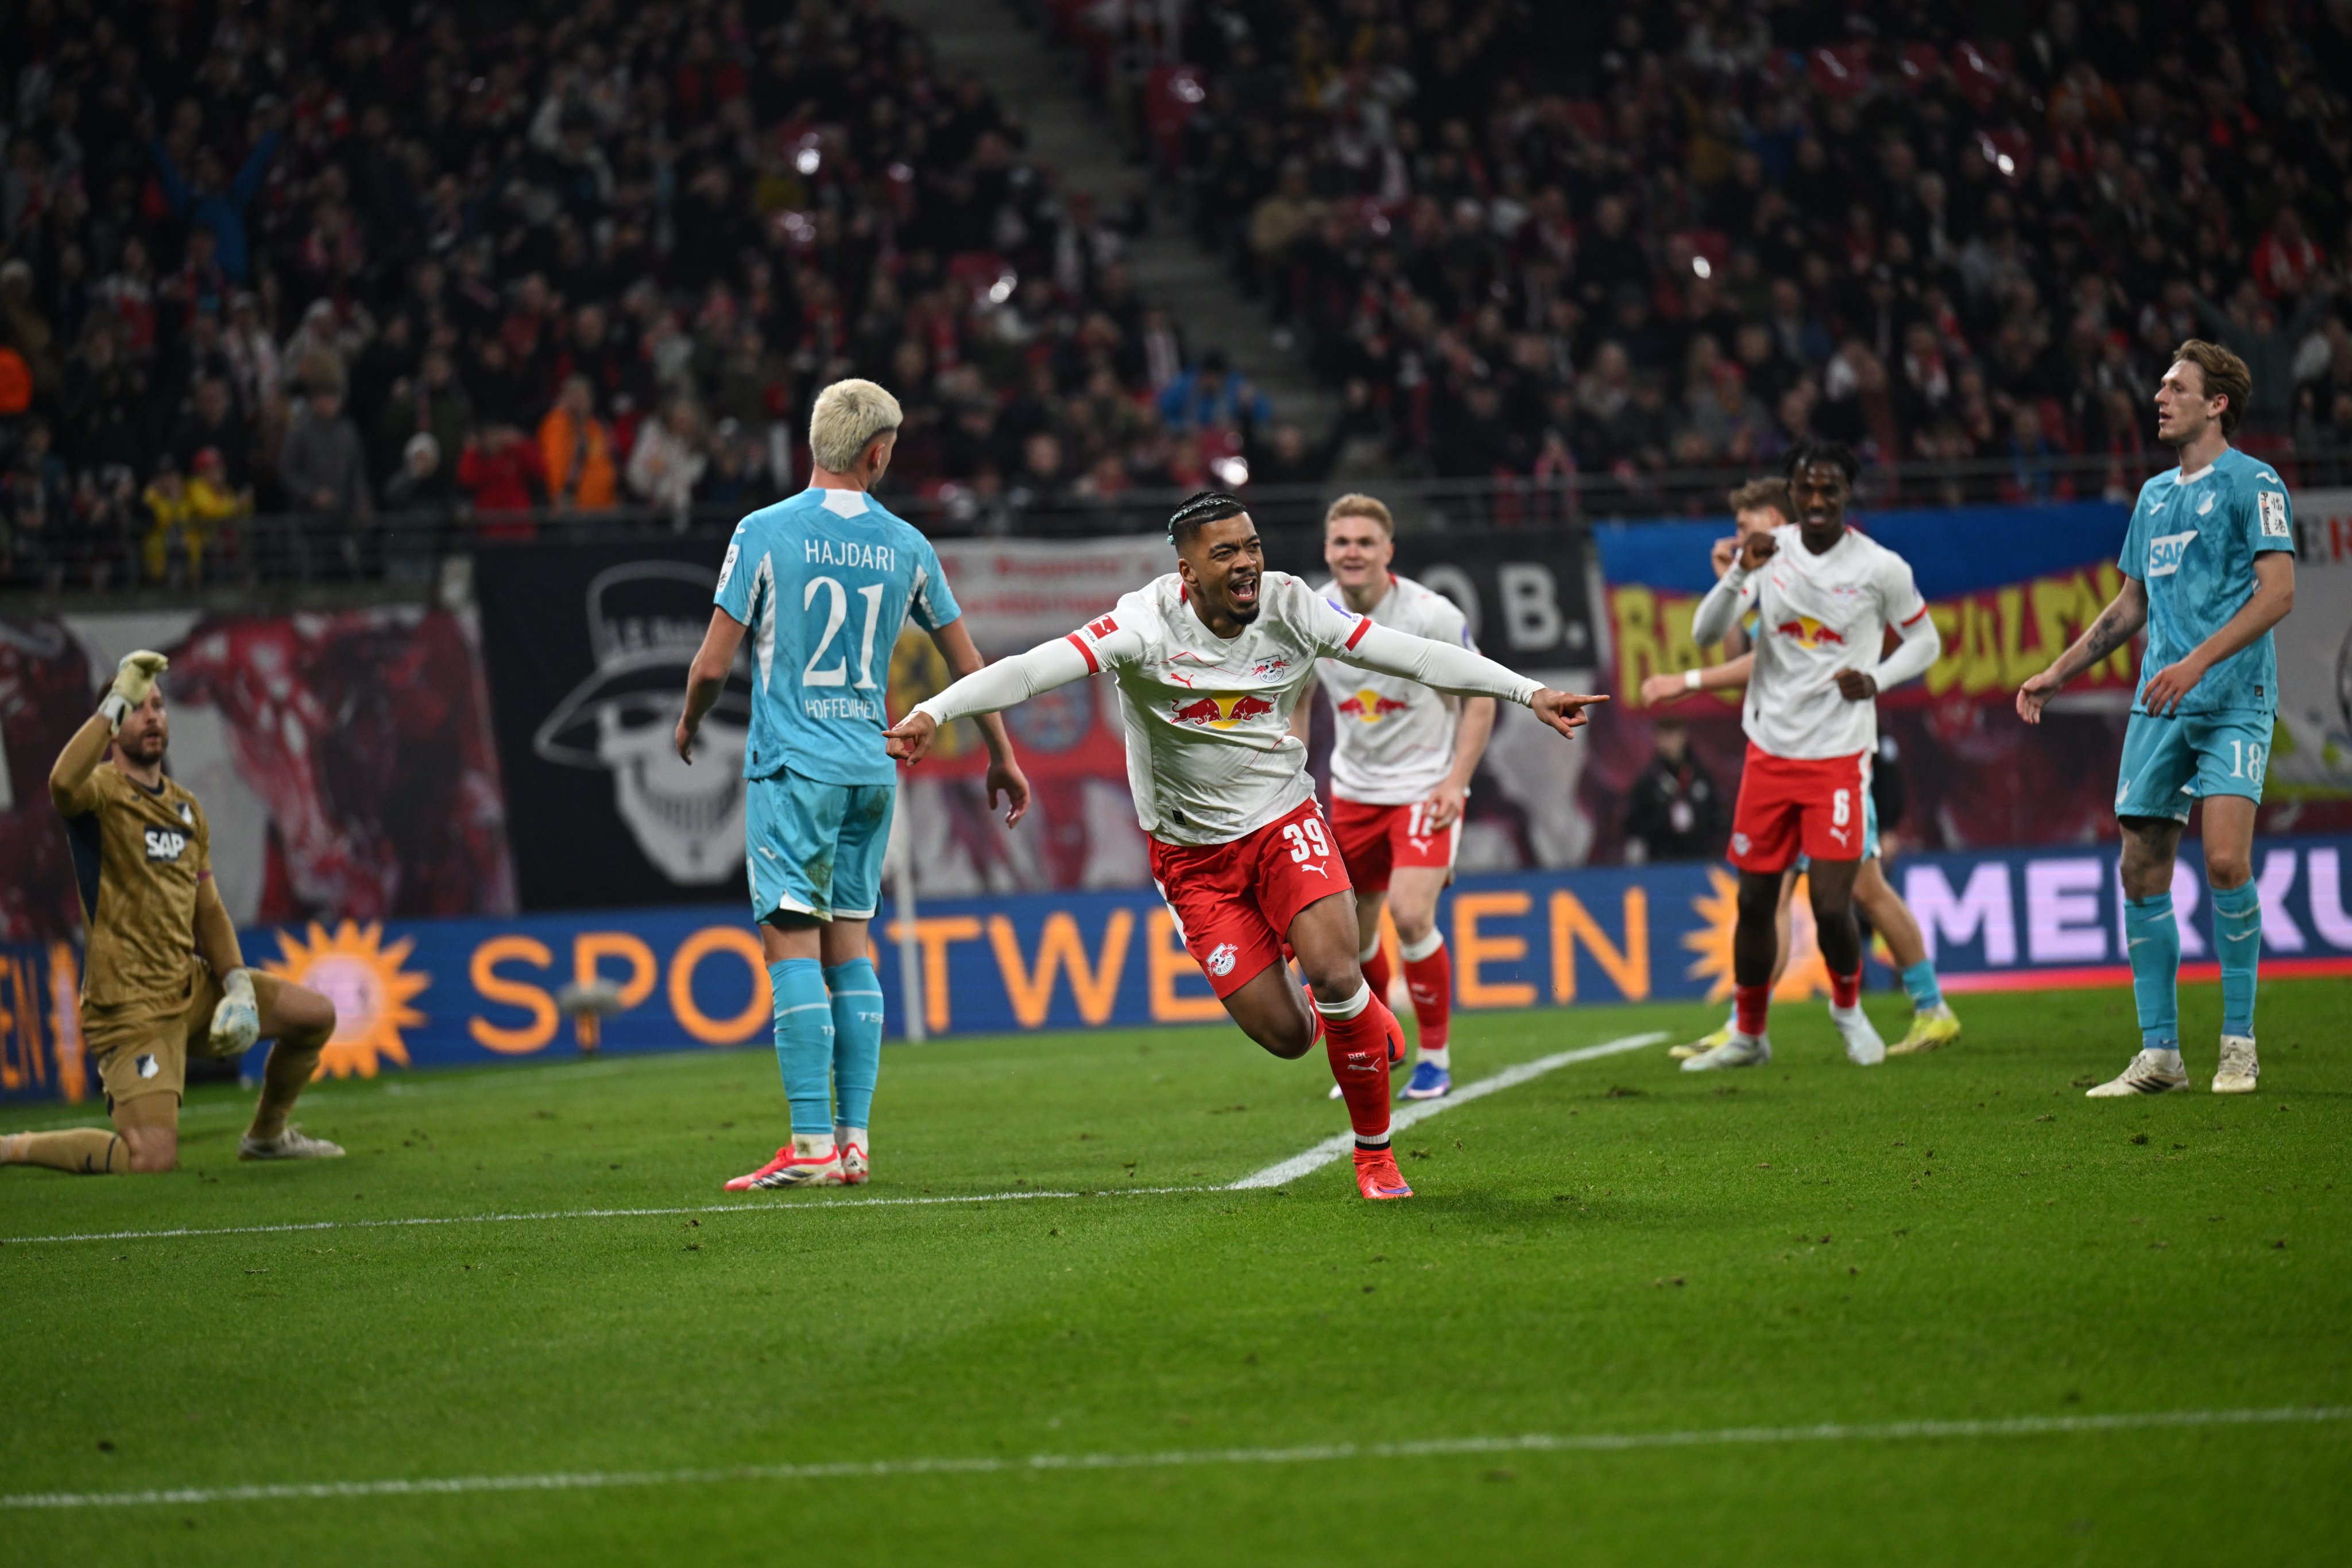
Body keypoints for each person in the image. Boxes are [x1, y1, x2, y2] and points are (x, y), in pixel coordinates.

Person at [885, 491, 1608, 1200]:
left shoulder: (1294, 607)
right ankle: (1358, 1016)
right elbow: (1027, 670)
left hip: (1282, 821)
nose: (1246, 563)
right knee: (1288, 1035)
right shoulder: (1143, 625)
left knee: (1337, 975)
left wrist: (1528, 692)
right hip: (1192, 858)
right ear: (1187, 571)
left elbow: (1417, 658)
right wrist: (933, 710)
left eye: (1252, 546)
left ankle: (1376, 1157)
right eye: (1224, 552)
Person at [676, 378, 1031, 1191]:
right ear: (877, 454)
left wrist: (691, 720)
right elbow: (969, 663)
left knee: (792, 946)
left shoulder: (763, 531)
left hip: (794, 770)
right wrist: (1001, 753)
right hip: (873, 771)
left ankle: (809, 1143)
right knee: (851, 950)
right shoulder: (907, 544)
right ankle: (854, 1141)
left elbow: (712, 666)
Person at [2017, 340, 2296, 1097]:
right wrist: (2057, 672)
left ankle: (2238, 1044)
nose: (2159, 397)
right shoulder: (2152, 497)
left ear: (2217, 404)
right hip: (2160, 704)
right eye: (2161, 386)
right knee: (2139, 866)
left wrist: (2198, 661)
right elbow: (2130, 604)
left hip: (2232, 698)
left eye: (2176, 387)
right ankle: (2160, 1055)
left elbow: (2277, 594)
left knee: (2226, 862)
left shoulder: (2254, 483)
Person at [1641, 478, 1961, 1058]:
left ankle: (1929, 1006)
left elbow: (1763, 663)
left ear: (1772, 516)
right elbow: (1755, 653)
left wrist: (1685, 681)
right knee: (1777, 895)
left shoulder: (1822, 573)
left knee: (1862, 890)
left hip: (1832, 756)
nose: (1736, 535)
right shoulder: (1771, 570)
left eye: (1744, 525)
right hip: (1787, 757)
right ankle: (1747, 1022)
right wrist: (1733, 579)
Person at [3, 653, 342, 1175]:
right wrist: (114, 701)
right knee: (150, 1159)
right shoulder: (100, 793)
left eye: (158, 706)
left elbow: (209, 910)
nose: (152, 716)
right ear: (114, 723)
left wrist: (237, 985)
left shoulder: (187, 808)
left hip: (191, 988)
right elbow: (61, 785)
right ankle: (12, 1147)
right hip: (131, 1008)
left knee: (316, 1015)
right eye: (137, 707)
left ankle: (267, 1136)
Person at [1288, 493, 1496, 1102]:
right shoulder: (1311, 614)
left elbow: (1480, 697)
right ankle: (1380, 1045)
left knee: (1410, 914)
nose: (1352, 552)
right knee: (1352, 940)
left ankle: (1435, 1058)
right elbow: (1298, 699)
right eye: (1342, 542)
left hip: (1424, 789)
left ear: (1388, 552)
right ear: (1328, 551)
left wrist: (1456, 781)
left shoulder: (1431, 614)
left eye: (1365, 542)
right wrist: (1291, 776)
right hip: (1353, 794)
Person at [1621, 717, 1725, 864]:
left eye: (1674, 736)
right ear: (1656, 740)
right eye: (1665, 737)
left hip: (1700, 860)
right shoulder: (1647, 781)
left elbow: (1718, 817)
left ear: (1684, 736)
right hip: (1661, 862)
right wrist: (1662, 825)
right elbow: (1632, 825)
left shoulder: (1702, 776)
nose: (1670, 743)